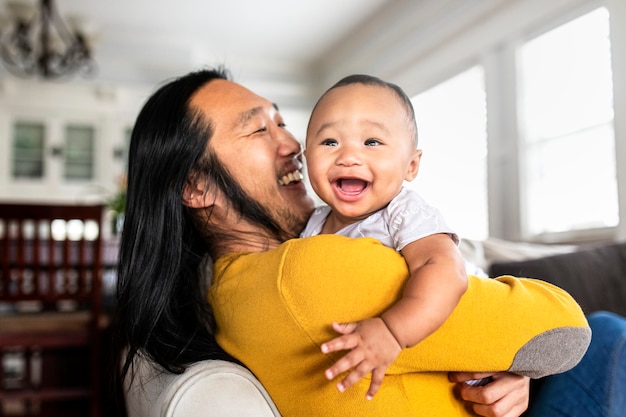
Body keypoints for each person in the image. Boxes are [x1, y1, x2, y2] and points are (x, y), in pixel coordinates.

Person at [113, 67, 596, 417]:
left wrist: (506, 373)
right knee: (609, 331)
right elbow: (565, 330)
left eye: (282, 122)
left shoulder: (224, 292)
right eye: (259, 128)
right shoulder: (310, 274)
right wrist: (522, 362)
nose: (291, 145)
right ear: (196, 188)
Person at [301, 74, 468, 399]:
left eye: (372, 142)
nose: (348, 156)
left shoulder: (403, 211)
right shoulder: (312, 226)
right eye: (329, 142)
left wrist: (393, 331)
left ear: (411, 165)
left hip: (473, 337)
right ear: (307, 157)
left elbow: (447, 270)